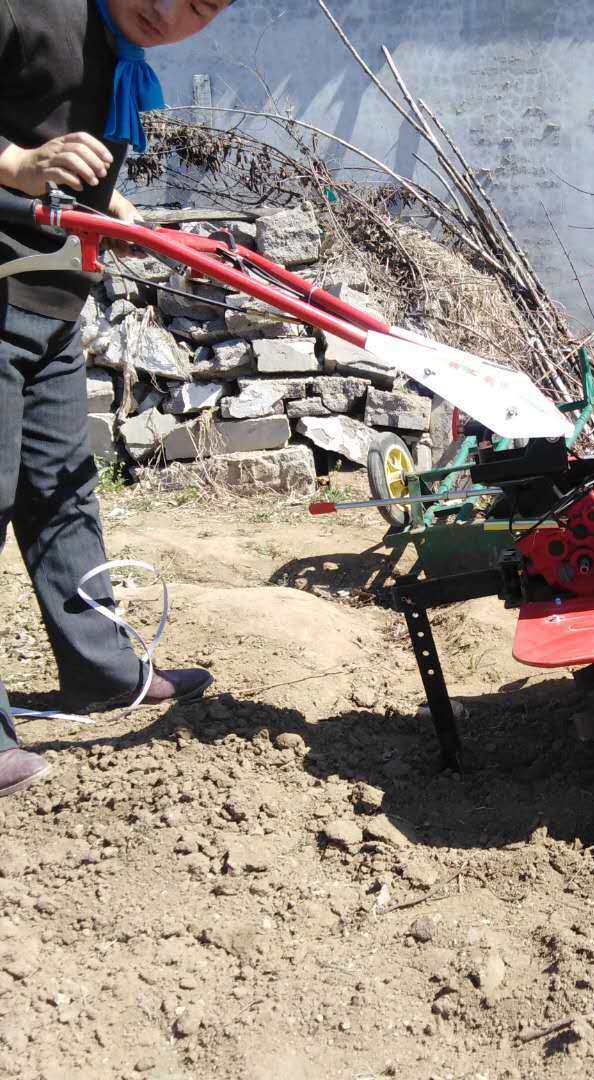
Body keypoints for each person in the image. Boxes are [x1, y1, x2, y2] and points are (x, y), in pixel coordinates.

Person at [0, 0, 234, 798]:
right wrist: (15, 164)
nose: (167, 12)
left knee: (63, 492)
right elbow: (30, 158)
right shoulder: (29, 9)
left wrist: (144, 226)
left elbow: (81, 179)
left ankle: (101, 672)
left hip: (48, 299)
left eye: (199, 8)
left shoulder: (117, 54)